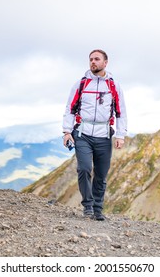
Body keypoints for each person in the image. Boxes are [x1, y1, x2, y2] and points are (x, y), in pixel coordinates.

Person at [62, 49, 127, 221]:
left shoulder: (114, 86)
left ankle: (98, 209)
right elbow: (70, 108)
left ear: (105, 63)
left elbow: (121, 113)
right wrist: (67, 131)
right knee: (84, 168)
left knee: (101, 174)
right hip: (82, 134)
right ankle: (88, 206)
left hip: (104, 136)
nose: (93, 62)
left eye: (97, 59)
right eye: (91, 59)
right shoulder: (80, 84)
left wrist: (121, 135)